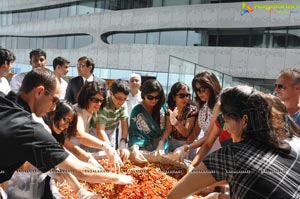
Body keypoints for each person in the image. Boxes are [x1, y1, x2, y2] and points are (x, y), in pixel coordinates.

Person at [0, 69, 133, 188]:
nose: (54, 108)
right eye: (55, 100)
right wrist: (119, 178)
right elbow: (80, 170)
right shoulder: (30, 130)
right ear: (39, 92)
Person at [167, 85, 300, 199]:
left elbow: (173, 196)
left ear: (244, 120)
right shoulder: (292, 143)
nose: (224, 127)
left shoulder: (231, 155)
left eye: (226, 120)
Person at [71, 81, 123, 172]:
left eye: (101, 100)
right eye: (95, 100)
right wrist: (105, 146)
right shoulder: (77, 111)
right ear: (86, 98)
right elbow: (80, 135)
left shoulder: (90, 112)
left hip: (75, 154)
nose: (99, 103)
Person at [129, 79, 166, 164]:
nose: (154, 100)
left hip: (162, 147)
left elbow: (168, 129)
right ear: (143, 95)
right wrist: (134, 149)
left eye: (157, 97)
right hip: (142, 149)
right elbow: (135, 133)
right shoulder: (137, 111)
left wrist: (161, 143)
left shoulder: (162, 107)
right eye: (150, 97)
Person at [156, 82, 197, 157]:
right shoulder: (170, 110)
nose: (185, 98)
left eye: (187, 95)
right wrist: (161, 142)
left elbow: (186, 133)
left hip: (188, 145)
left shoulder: (192, 110)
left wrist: (175, 122)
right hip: (173, 143)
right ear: (174, 97)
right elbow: (168, 129)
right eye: (182, 96)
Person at [94, 79, 130, 161]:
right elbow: (100, 131)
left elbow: (124, 125)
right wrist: (109, 148)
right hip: (96, 134)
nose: (121, 101)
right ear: (111, 93)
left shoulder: (123, 103)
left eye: (124, 98)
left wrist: (123, 142)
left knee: (112, 158)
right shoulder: (104, 105)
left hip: (111, 133)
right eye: (119, 98)